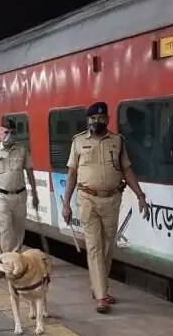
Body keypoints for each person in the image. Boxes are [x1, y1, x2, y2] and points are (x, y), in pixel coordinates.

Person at [62, 102, 149, 313]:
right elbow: (72, 173)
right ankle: (101, 296)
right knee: (94, 247)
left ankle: (99, 287)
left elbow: (127, 169)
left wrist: (140, 195)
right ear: (88, 120)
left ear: (107, 119)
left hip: (112, 200)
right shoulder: (78, 141)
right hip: (87, 199)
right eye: (93, 118)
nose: (97, 122)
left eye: (101, 118)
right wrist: (66, 204)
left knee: (108, 247)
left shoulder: (117, 141)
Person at [0, 116, 39, 279]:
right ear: (0, 132)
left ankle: (15, 263)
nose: (9, 136)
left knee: (19, 230)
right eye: (6, 132)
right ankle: (3, 264)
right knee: (6, 228)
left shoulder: (22, 150)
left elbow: (30, 171)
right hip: (1, 196)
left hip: (19, 195)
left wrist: (35, 194)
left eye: (12, 132)